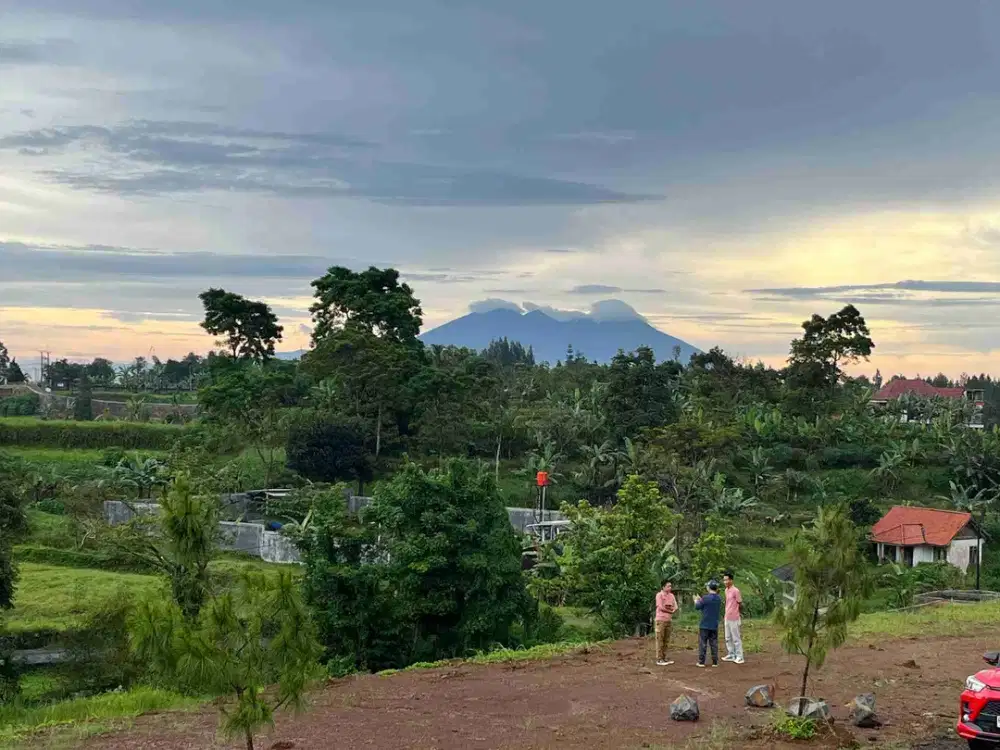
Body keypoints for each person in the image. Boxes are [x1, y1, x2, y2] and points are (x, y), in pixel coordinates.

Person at [693, 580, 722, 668]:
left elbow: (697, 607)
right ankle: (715, 662)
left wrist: (696, 600)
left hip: (704, 624)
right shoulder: (718, 598)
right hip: (714, 624)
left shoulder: (705, 598)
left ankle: (701, 662)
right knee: (714, 643)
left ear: (708, 587)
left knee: (703, 643)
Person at [654, 579, 678, 666]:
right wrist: (670, 611)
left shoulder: (671, 595)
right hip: (660, 620)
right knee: (660, 639)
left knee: (666, 640)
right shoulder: (659, 595)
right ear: (663, 587)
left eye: (670, 586)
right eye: (668, 586)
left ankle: (664, 657)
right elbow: (660, 607)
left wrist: (673, 610)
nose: (670, 588)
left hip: (668, 620)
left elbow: (675, 606)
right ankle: (659, 658)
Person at [722, 571, 744, 664]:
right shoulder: (726, 590)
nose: (725, 582)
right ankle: (731, 654)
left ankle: (740, 656)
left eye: (727, 580)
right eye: (724, 580)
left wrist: (739, 614)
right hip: (727, 616)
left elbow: (740, 603)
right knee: (727, 637)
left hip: (734, 617)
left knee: (736, 637)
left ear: (731, 580)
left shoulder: (736, 590)